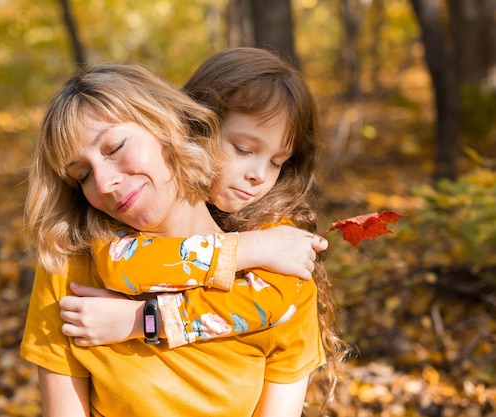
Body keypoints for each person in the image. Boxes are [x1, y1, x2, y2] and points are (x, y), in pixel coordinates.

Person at [21, 59, 327, 416]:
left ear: (169, 124)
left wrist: (141, 321)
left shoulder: (279, 272)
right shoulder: (72, 267)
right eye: (83, 174)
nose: (104, 183)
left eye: (115, 147)